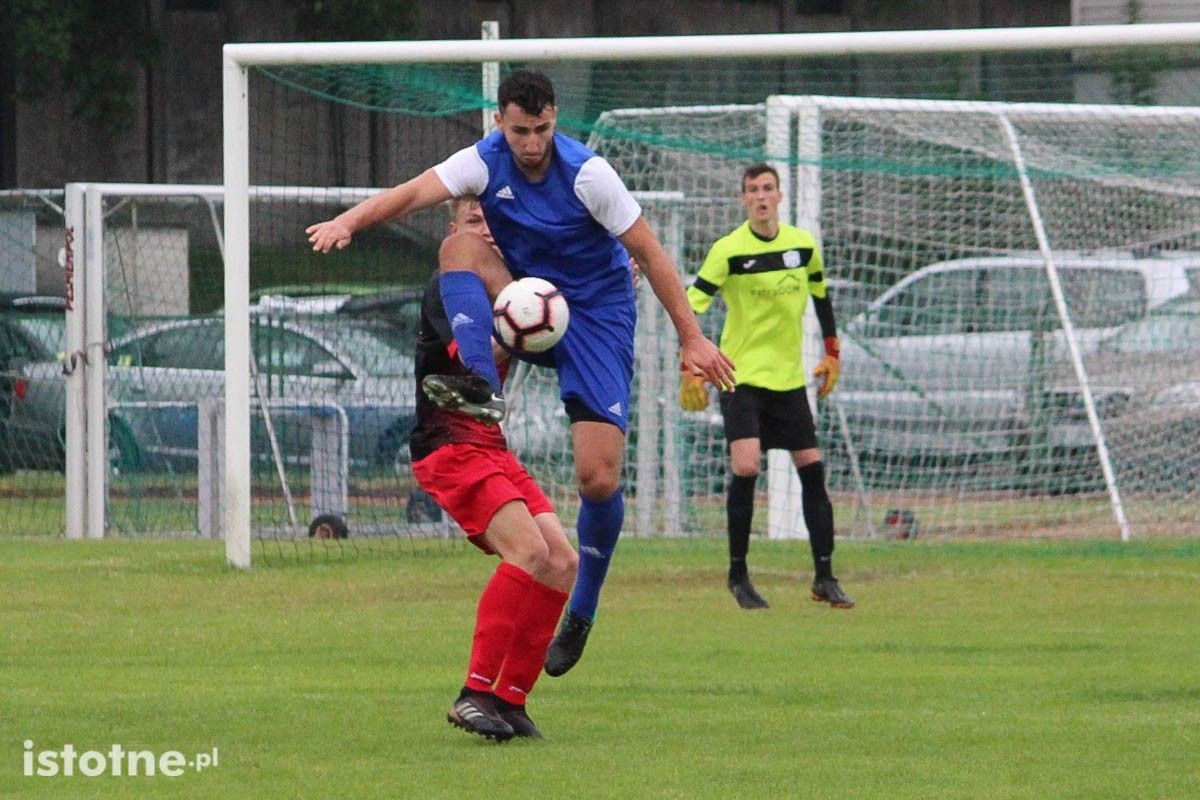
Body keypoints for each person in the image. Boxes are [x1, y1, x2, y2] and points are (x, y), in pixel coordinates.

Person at [308, 70, 735, 676]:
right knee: (458, 248)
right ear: (500, 123)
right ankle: (479, 381)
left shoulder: (588, 173)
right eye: (519, 131)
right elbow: (411, 193)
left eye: (540, 130)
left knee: (597, 478)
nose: (530, 143)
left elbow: (649, 251)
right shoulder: (483, 161)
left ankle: (582, 609)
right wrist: (349, 222)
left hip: (595, 316)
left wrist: (690, 336)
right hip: (527, 303)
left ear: (555, 119)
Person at [410, 195, 578, 741]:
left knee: (561, 560)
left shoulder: (511, 293)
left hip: (491, 445)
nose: (483, 232)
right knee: (527, 552)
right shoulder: (447, 288)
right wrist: (519, 326)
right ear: (453, 229)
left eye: (490, 222)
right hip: (449, 443)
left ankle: (511, 701)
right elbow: (470, 357)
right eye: (472, 221)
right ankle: (474, 693)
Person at [681, 163, 854, 611]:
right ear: (744, 199)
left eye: (768, 189)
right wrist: (691, 365)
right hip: (738, 377)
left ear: (780, 196)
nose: (761, 197)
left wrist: (832, 352)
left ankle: (825, 578)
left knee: (813, 469)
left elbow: (822, 299)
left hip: (789, 381)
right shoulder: (728, 250)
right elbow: (689, 308)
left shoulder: (802, 246)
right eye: (753, 190)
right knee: (746, 466)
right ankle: (738, 576)